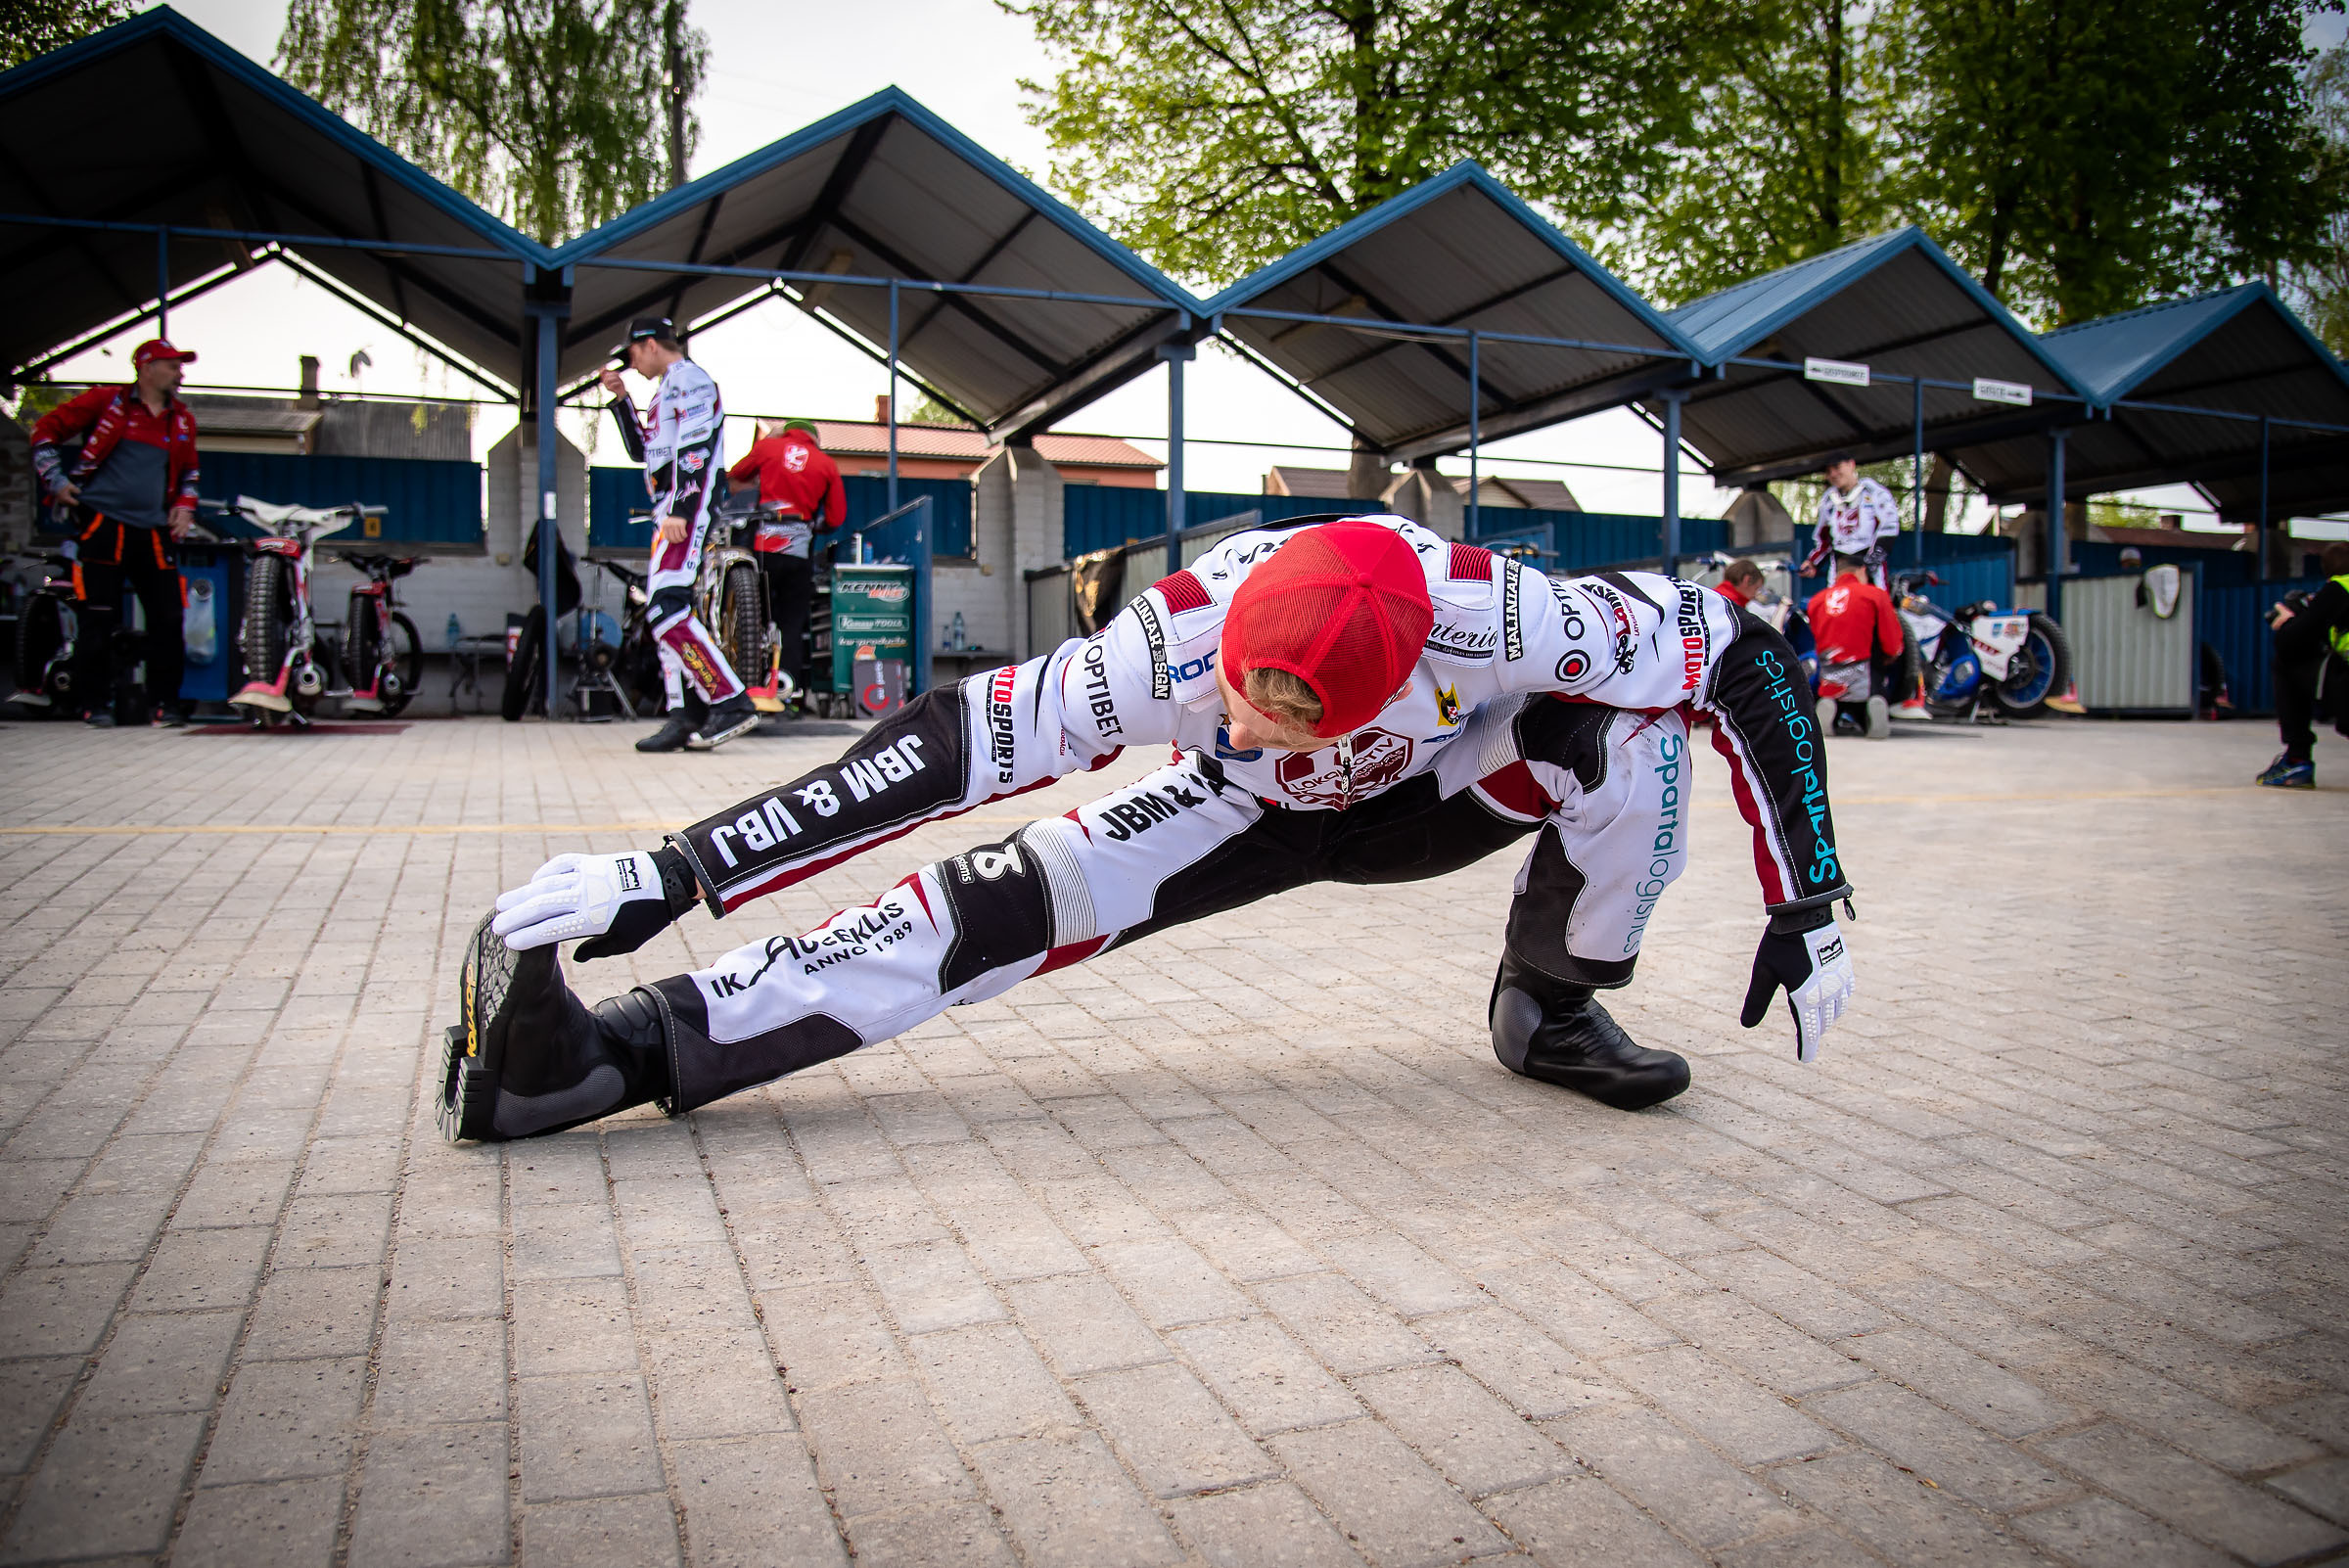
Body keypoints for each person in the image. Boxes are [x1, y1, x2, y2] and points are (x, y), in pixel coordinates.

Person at [438, 516, 1860, 1145]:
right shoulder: (1165, 645)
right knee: (978, 906)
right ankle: (608, 1058)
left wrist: (1809, 897)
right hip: (1233, 813)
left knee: (1631, 745)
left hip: (1427, 797)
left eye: (1295, 709)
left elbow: (1743, 653)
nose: (1250, 708)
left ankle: (1550, 1005)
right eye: (1244, 686)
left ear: (1405, 673)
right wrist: (676, 868)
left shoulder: (1510, 613)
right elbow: (936, 756)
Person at [24, 340, 202, 726]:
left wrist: (186, 506)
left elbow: (190, 471)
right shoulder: (107, 401)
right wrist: (56, 482)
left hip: (154, 530)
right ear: (147, 368)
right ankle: (95, 704)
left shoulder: (182, 419)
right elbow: (43, 430)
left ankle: (166, 705)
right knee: (98, 615)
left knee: (169, 616)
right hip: (103, 525)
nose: (180, 373)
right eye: (172, 365)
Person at [601, 316, 758, 753]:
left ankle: (730, 701)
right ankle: (684, 714)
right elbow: (643, 450)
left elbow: (696, 449)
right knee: (663, 611)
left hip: (684, 507)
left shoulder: (689, 380)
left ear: (650, 344)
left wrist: (681, 510)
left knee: (666, 607)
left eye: (632, 353)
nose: (632, 363)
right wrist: (621, 399)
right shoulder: (666, 389)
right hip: (668, 509)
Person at [728, 419, 846, 710]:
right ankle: (789, 695)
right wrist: (816, 525)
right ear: (814, 439)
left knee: (754, 618)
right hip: (799, 550)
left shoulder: (768, 447)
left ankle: (747, 690)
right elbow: (836, 517)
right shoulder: (826, 463)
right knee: (791, 624)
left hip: (763, 549)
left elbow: (735, 476)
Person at [2258, 539, 2349, 789]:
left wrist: (2288, 621)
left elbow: (2290, 642)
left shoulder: (2340, 587)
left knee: (2286, 662)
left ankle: (2297, 760)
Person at [1807, 553, 1903, 739]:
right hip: (1865, 670)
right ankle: (1875, 702)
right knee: (1872, 690)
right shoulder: (1875, 595)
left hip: (1830, 673)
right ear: (1862, 571)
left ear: (1837, 573)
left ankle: (1828, 704)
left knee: (1834, 692)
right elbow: (1891, 637)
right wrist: (1892, 654)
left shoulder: (1817, 600)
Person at [1801, 452, 1902, 588]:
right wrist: (1812, 562)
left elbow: (1889, 528)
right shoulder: (1828, 501)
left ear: (1851, 464)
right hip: (1838, 568)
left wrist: (1870, 565)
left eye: (1837, 467)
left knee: (1875, 599)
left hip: (1870, 569)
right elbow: (1823, 539)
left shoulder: (1874, 492)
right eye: (1828, 471)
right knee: (1837, 600)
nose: (1833, 474)